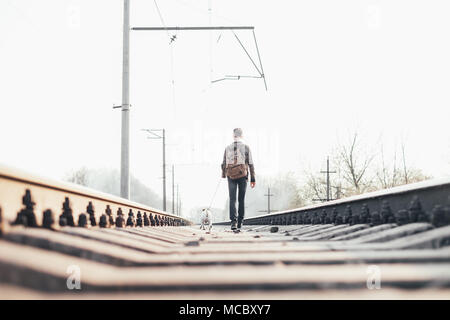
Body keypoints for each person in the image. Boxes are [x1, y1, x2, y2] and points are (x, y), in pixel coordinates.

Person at [221, 128, 256, 230]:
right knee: (241, 199)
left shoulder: (228, 148)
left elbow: (223, 163)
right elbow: (251, 164)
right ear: (242, 135)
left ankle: (233, 222)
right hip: (242, 176)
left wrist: (224, 175)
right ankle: (240, 222)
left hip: (231, 176)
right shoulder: (246, 148)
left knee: (232, 199)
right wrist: (253, 178)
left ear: (233, 136)